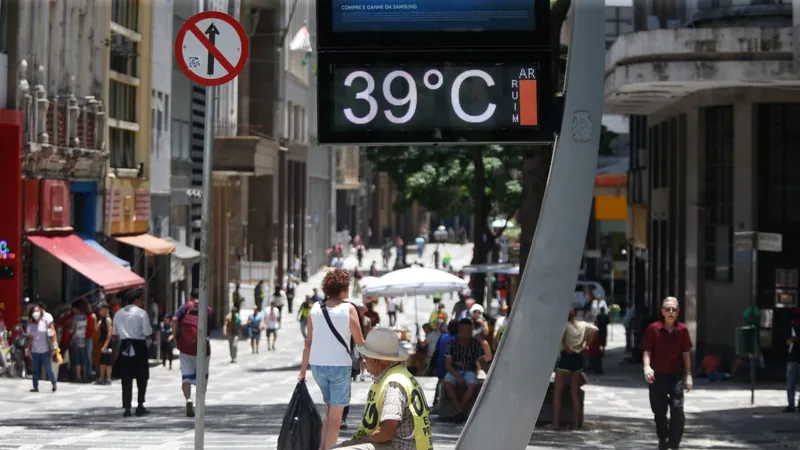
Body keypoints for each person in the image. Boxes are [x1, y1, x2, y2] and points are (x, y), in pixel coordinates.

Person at [332, 327, 433, 450]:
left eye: (366, 357)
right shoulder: (400, 375)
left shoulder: (393, 385)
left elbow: (386, 432)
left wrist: (358, 443)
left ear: (376, 360)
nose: (364, 361)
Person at [298, 269, 366, 450]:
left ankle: (322, 447)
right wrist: (373, 364)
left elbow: (308, 342)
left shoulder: (315, 308)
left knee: (329, 411)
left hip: (318, 366)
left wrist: (303, 370)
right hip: (339, 366)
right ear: (343, 289)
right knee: (336, 416)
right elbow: (360, 342)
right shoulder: (349, 309)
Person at [642, 297, 693, 450]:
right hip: (657, 377)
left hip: (675, 376)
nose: (671, 312)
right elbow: (647, 351)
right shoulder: (653, 328)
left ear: (678, 312)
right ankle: (663, 436)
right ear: (662, 311)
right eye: (668, 309)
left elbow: (686, 353)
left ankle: (674, 442)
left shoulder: (682, 330)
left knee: (677, 410)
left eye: (674, 309)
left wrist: (688, 375)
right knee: (659, 412)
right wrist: (647, 367)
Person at [172, 289, 214, 418]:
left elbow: (174, 320)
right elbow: (211, 327)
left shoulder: (185, 307)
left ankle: (188, 399)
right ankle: (200, 402)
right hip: (202, 347)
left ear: (191, 296)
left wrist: (176, 336)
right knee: (202, 376)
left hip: (185, 347)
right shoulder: (208, 309)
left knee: (186, 376)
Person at [553, 307, 596, 429]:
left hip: (566, 358)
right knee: (574, 392)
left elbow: (563, 340)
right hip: (578, 358)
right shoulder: (583, 325)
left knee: (558, 392)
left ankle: (556, 423)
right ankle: (576, 424)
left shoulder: (564, 325)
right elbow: (595, 330)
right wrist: (586, 344)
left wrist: (567, 347)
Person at [111, 288, 153, 417]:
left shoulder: (118, 313)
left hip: (124, 345)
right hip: (139, 344)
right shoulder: (142, 314)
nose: (142, 303)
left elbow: (115, 333)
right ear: (136, 300)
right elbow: (147, 332)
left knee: (126, 378)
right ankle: (140, 404)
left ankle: (127, 407)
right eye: (141, 300)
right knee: (142, 377)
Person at [443, 318, 492, 423]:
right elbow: (448, 364)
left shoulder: (475, 344)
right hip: (454, 370)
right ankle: (459, 411)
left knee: (472, 385)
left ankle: (459, 410)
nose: (468, 333)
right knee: (448, 384)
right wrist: (457, 376)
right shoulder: (452, 343)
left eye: (469, 331)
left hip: (469, 371)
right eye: (465, 331)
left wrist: (490, 375)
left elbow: (482, 362)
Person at [25, 304, 58, 393]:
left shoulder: (45, 322)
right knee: (35, 369)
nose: (36, 313)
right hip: (35, 350)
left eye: (37, 311)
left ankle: (54, 383)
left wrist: (54, 343)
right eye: (34, 311)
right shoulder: (30, 325)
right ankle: (35, 386)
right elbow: (31, 338)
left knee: (48, 368)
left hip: (45, 350)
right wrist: (28, 348)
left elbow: (52, 332)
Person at [785, 307, 800, 412]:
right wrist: (792, 340)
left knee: (791, 383)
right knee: (791, 383)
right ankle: (791, 405)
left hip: (794, 358)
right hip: (793, 357)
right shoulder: (790, 327)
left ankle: (793, 405)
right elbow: (786, 341)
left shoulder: (792, 327)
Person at [95, 303, 114, 385]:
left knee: (108, 362)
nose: (100, 311)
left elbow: (110, 333)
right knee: (102, 361)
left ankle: (108, 378)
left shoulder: (108, 320)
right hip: (102, 343)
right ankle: (101, 377)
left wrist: (105, 346)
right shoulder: (102, 320)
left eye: (101, 309)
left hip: (107, 344)